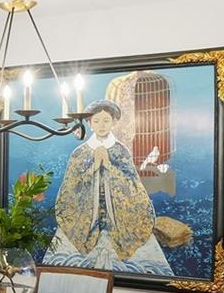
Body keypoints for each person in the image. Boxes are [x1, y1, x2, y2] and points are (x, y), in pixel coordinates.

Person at [44, 99, 174, 275]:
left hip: (118, 216)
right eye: (96, 121)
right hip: (86, 216)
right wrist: (94, 166)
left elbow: (131, 184)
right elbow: (71, 186)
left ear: (113, 122)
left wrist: (110, 165)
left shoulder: (121, 151)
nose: (101, 125)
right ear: (89, 123)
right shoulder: (80, 153)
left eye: (106, 120)